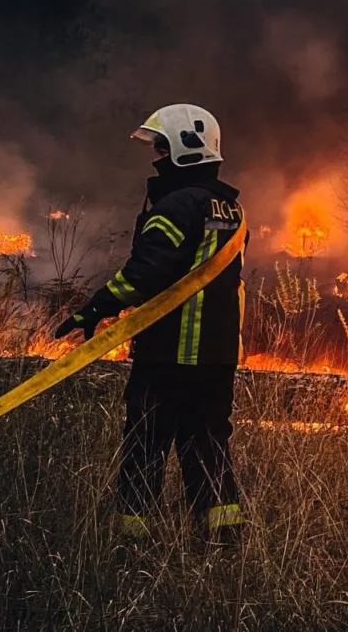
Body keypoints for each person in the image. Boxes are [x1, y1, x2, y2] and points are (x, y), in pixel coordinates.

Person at [56, 104, 249, 544]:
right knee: (208, 443)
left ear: (183, 150)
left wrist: (94, 309)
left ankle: (134, 540)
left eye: (160, 148)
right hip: (217, 357)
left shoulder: (176, 207)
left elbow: (143, 275)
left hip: (169, 353)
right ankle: (222, 539)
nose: (155, 158)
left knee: (146, 443)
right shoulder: (233, 210)